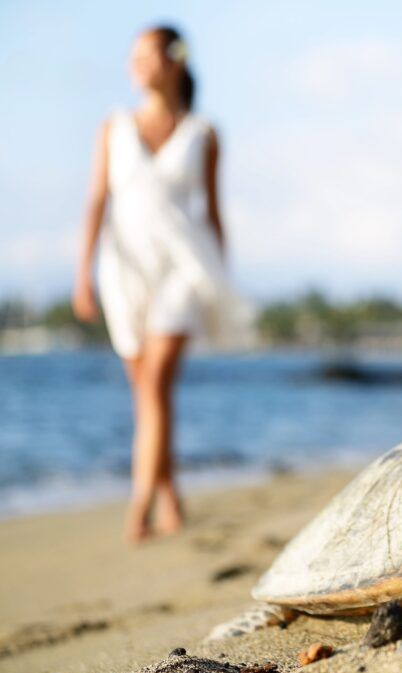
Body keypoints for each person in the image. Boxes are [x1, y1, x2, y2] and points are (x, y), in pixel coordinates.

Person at [73, 25, 247, 543]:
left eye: (147, 54)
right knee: (145, 393)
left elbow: (214, 212)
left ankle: (139, 511)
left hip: (183, 268)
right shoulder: (113, 126)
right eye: (134, 55)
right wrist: (82, 274)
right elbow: (96, 200)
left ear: (173, 62)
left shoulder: (204, 133)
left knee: (155, 387)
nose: (136, 64)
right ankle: (171, 497)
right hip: (123, 268)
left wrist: (224, 278)